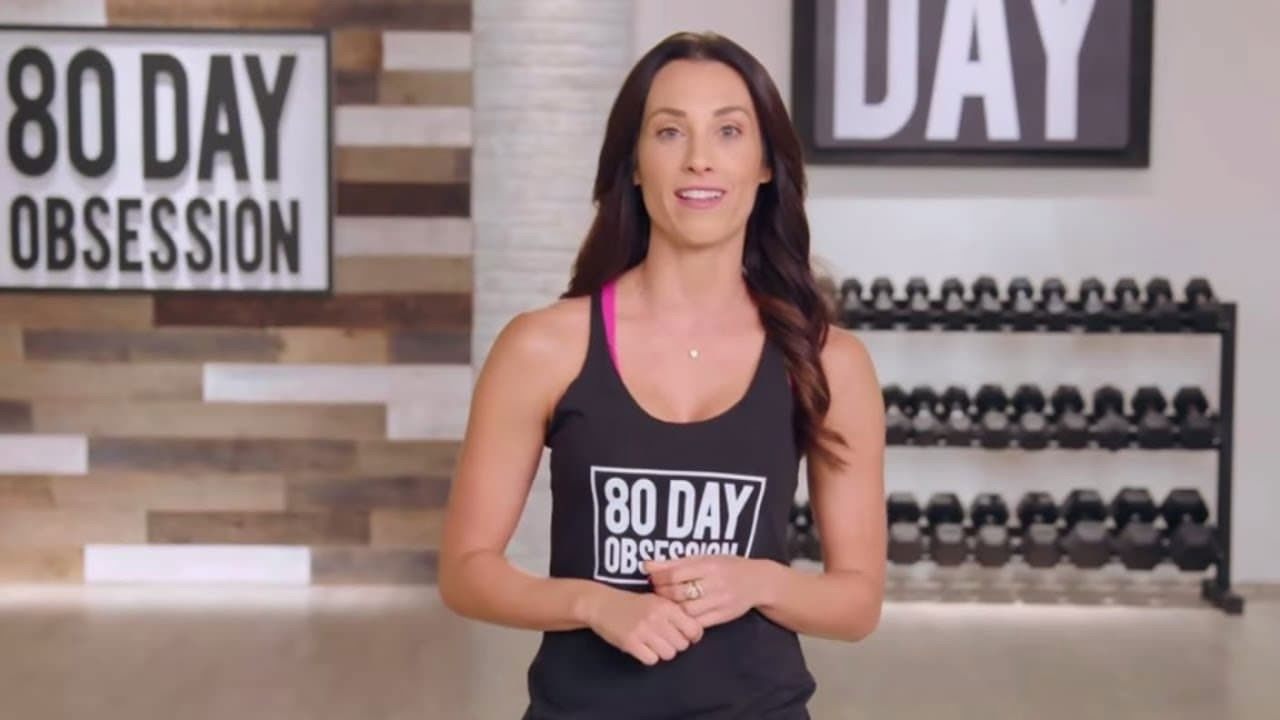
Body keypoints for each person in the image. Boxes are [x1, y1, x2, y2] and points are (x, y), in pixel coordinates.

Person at [439, 31, 886, 719]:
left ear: (765, 166)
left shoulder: (828, 361)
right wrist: (593, 603)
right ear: (636, 165)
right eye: (670, 131)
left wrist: (756, 582)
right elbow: (466, 572)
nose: (699, 158)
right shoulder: (543, 348)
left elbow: (857, 603)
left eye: (729, 131)